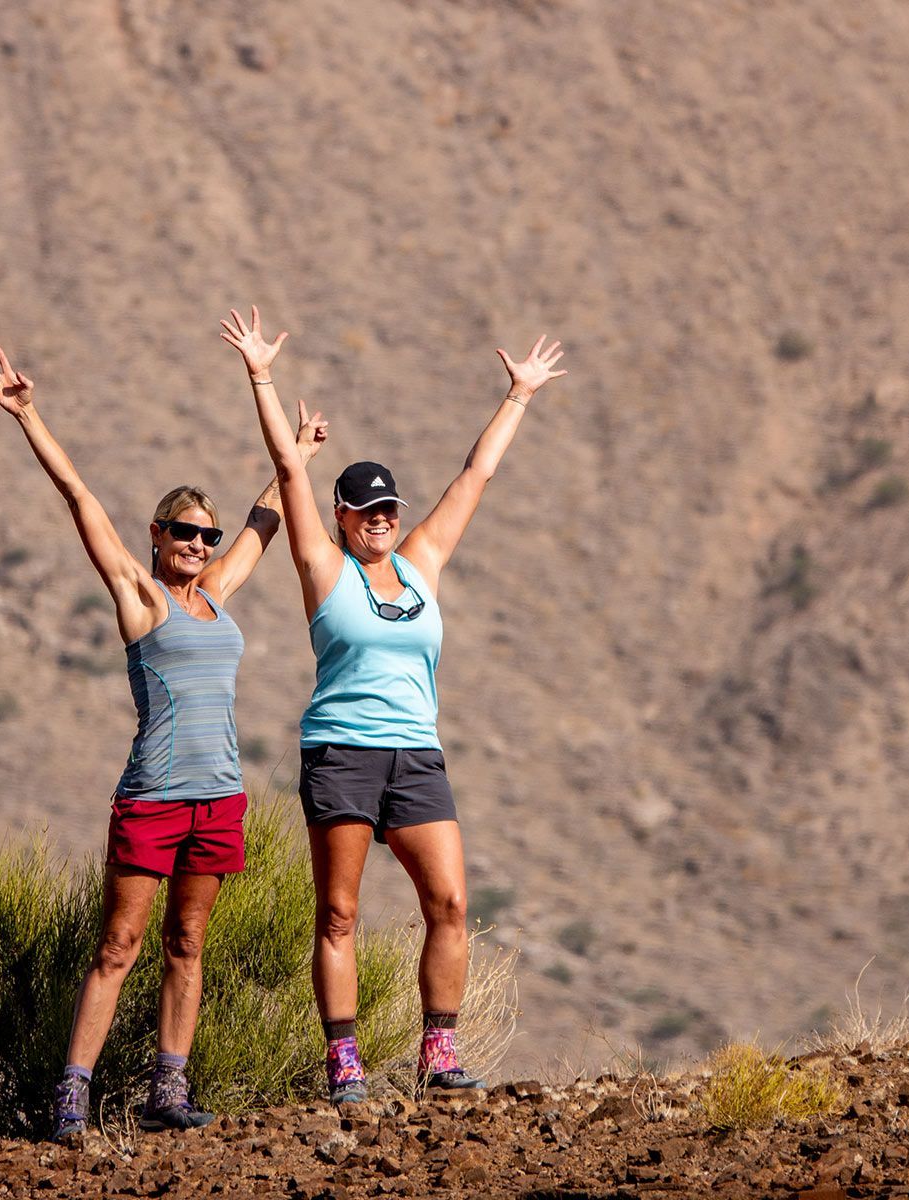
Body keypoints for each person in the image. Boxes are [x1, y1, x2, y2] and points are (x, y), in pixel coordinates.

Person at [0, 344, 328, 1139]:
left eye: (205, 535)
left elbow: (264, 521)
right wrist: (28, 413)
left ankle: (169, 1089)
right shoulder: (143, 598)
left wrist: (294, 459)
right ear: (158, 534)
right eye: (182, 533)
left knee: (188, 944)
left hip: (219, 798)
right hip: (154, 797)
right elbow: (78, 497)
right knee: (119, 944)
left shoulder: (217, 595)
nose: (199, 545)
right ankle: (72, 1092)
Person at [219, 306, 566, 1103]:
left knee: (450, 902)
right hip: (341, 753)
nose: (382, 521)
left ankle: (437, 1052)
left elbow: (474, 477)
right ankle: (343, 1061)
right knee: (338, 914)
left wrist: (518, 396)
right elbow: (284, 464)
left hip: (416, 754)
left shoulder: (421, 564)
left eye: (390, 510)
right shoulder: (322, 566)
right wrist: (262, 375)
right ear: (341, 517)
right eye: (366, 510)